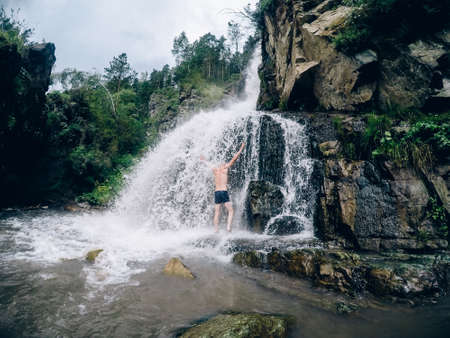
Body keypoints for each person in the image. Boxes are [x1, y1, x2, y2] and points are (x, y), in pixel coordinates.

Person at [200, 142, 245, 232]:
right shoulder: (225, 168)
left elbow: (207, 163)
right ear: (223, 164)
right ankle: (228, 227)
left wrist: (203, 160)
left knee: (217, 212)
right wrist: (241, 148)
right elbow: (234, 158)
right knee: (231, 210)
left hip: (217, 192)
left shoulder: (215, 169)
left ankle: (216, 229)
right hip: (223, 192)